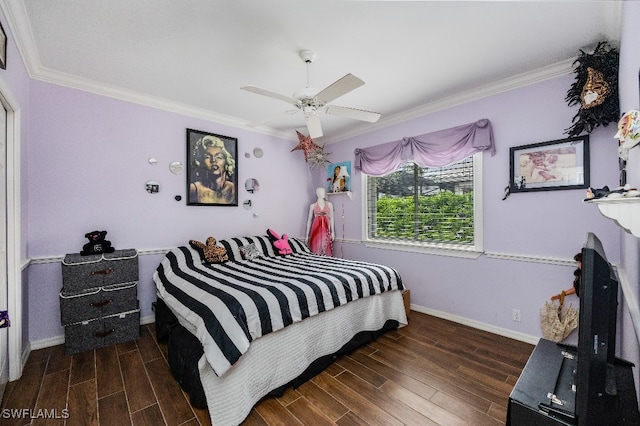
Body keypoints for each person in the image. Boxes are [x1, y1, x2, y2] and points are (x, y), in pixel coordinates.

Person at [189, 135, 236, 204]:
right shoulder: (193, 189)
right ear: (200, 162)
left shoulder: (234, 189)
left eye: (219, 157)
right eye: (207, 157)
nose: (213, 160)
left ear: (226, 161)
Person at [306, 187, 335, 256]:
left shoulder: (329, 204)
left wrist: (333, 232)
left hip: (326, 228)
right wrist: (307, 235)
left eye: (324, 192)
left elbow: (332, 218)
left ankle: (325, 263)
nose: (324, 193)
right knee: (316, 246)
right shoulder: (313, 206)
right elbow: (309, 220)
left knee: (325, 246)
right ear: (318, 193)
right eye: (322, 192)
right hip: (316, 229)